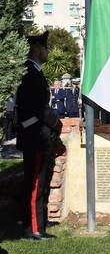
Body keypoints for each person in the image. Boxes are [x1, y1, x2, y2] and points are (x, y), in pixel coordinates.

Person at [16, 31, 62, 240]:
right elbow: (39, 108)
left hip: (36, 135)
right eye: (45, 48)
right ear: (36, 50)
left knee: (38, 181)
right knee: (35, 183)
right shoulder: (30, 73)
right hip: (35, 136)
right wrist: (57, 124)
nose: (48, 51)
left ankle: (37, 223)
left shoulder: (34, 71)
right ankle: (33, 229)